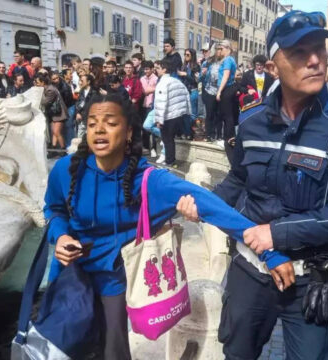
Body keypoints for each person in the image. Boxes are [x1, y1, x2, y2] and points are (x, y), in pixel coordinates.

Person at [178, 10, 328, 360]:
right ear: (273, 66)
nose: (316, 60)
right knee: (237, 353)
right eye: (300, 52)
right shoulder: (251, 120)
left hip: (309, 278)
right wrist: (205, 204)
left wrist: (277, 234)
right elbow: (240, 179)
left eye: (320, 49)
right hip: (248, 271)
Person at [44, 92, 288, 359]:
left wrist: (267, 250)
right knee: (59, 350)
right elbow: (54, 210)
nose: (99, 130)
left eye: (110, 123)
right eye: (92, 123)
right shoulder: (66, 169)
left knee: (112, 352)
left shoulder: (150, 182)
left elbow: (213, 207)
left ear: (128, 132)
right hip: (67, 275)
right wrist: (61, 236)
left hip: (111, 283)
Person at [154, 59, 191, 167]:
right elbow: (186, 96)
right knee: (171, 140)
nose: (156, 70)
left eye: (158, 68)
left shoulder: (162, 83)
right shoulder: (177, 81)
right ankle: (171, 160)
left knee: (167, 140)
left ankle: (169, 161)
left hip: (168, 116)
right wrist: (187, 112)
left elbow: (161, 103)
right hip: (178, 115)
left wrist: (159, 120)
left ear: (164, 69)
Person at [216, 40, 238, 164]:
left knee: (227, 115)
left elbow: (226, 76)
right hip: (229, 89)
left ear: (228, 49)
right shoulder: (230, 60)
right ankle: (229, 138)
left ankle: (229, 138)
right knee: (226, 115)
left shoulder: (228, 60)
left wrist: (219, 91)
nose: (220, 50)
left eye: (222, 48)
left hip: (227, 89)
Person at [35, 73, 68, 153]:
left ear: (43, 82)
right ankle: (53, 150)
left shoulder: (50, 90)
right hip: (54, 114)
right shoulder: (48, 88)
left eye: (38, 83)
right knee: (54, 132)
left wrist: (39, 93)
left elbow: (45, 102)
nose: (36, 85)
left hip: (59, 114)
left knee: (57, 132)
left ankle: (63, 150)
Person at [201, 44, 223, 142]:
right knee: (209, 114)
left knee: (218, 114)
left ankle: (218, 135)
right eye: (217, 50)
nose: (219, 51)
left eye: (220, 49)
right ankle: (209, 134)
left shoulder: (224, 62)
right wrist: (203, 74)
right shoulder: (207, 63)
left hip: (220, 90)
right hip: (209, 90)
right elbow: (200, 78)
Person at [178, 48, 200, 140]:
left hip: (192, 91)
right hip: (184, 92)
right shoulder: (183, 66)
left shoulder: (196, 66)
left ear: (192, 56)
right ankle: (186, 132)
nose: (185, 56)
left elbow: (196, 81)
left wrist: (185, 74)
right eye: (185, 54)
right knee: (183, 114)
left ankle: (190, 132)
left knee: (192, 114)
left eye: (188, 55)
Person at [52, 71, 76, 147]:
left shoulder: (64, 86)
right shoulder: (54, 86)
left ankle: (69, 145)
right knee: (59, 129)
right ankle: (60, 145)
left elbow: (67, 99)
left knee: (68, 126)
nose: (56, 80)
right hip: (62, 108)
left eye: (57, 78)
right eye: (54, 79)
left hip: (68, 107)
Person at [140, 60, 158, 156]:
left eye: (147, 69)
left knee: (151, 127)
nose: (146, 71)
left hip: (151, 105)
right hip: (143, 105)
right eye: (144, 69)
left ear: (152, 69)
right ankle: (146, 147)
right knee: (144, 128)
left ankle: (154, 148)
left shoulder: (156, 79)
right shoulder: (142, 79)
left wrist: (150, 90)